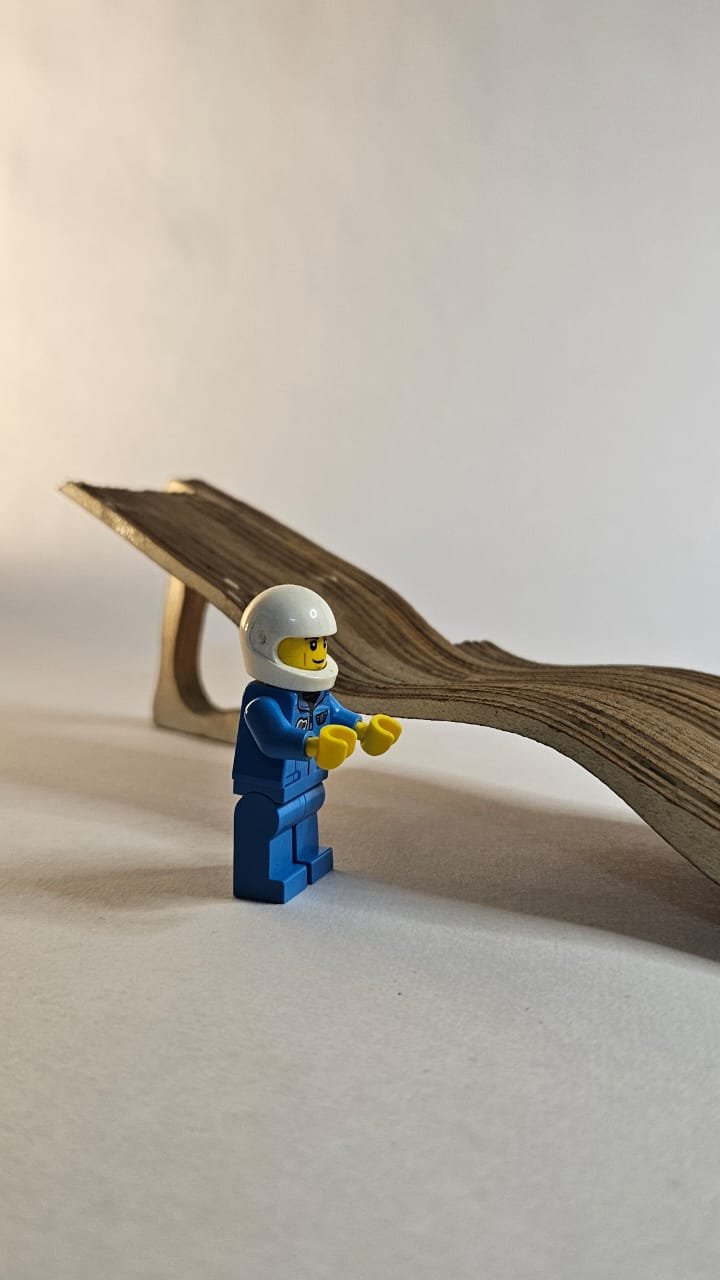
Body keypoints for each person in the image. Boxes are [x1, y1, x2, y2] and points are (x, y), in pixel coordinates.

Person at [232, 584, 401, 903]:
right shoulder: (262, 700)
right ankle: (266, 876)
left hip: (306, 780)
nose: (320, 652)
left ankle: (305, 857)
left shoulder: (317, 695)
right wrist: (314, 745)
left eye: (322, 643)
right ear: (265, 643)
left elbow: (336, 714)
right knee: (269, 821)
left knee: (306, 812)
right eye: (311, 644)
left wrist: (365, 729)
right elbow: (273, 738)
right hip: (268, 787)